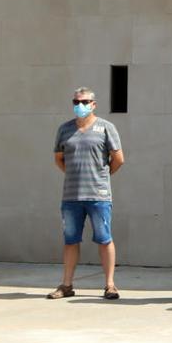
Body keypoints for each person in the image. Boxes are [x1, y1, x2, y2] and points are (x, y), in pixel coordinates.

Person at [48, 87, 124, 300]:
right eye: (76, 102)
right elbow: (58, 159)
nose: (79, 105)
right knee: (70, 240)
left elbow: (118, 159)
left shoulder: (106, 128)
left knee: (104, 239)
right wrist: (75, 174)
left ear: (93, 104)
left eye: (84, 102)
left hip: (99, 196)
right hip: (71, 196)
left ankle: (110, 285)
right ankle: (66, 285)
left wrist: (103, 176)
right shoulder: (64, 129)